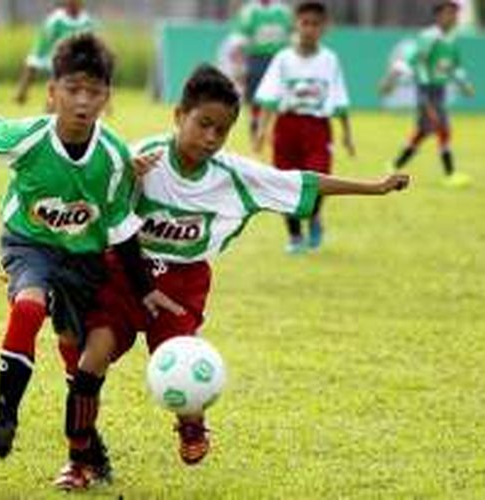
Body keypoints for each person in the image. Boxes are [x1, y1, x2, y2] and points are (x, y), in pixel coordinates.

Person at [53, 63, 410, 491]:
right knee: (91, 360)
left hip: (183, 284)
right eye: (203, 124)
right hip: (126, 275)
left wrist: (375, 186)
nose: (210, 138)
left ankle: (191, 423)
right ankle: (80, 461)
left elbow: (300, 182)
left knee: (179, 364)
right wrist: (123, 175)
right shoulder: (140, 159)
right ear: (178, 116)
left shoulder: (233, 175)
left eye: (220, 131)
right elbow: (78, 192)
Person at [0, 33, 182, 462]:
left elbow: (122, 227)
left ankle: (87, 444)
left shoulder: (113, 156)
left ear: (107, 96)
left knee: (76, 352)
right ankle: (4, 420)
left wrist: (144, 288)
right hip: (28, 244)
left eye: (94, 91)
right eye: (72, 90)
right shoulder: (29, 138)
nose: (83, 101)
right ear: (52, 94)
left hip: (83, 259)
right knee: (29, 306)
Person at [253, 1, 354, 254]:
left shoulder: (330, 60)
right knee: (285, 183)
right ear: (296, 26)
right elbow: (270, 96)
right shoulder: (283, 59)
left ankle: (315, 216)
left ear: (324, 28)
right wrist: (261, 130)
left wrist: (347, 134)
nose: (309, 29)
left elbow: (339, 97)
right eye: (305, 23)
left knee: (318, 179)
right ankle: (295, 236)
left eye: (315, 24)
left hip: (317, 126)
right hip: (287, 125)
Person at [387, 0, 475, 188]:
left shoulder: (450, 40)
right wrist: (396, 78)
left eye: (455, 13)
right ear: (438, 15)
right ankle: (450, 175)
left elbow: (454, 67)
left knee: (423, 132)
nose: (453, 16)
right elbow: (416, 61)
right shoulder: (429, 37)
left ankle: (395, 164)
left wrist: (464, 84)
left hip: (439, 92)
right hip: (427, 91)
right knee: (442, 129)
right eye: (448, 12)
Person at [230, 0, 293, 143]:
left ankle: (276, 130)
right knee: (255, 97)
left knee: (280, 96)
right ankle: (255, 126)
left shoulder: (284, 11)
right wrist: (240, 66)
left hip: (279, 60)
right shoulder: (249, 11)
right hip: (257, 58)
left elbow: (293, 37)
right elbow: (239, 40)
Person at [14, 0, 94, 105]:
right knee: (32, 66)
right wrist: (39, 55)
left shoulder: (87, 21)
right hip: (54, 57)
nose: (74, 4)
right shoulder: (56, 20)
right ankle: (22, 92)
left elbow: (91, 43)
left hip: (76, 61)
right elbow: (43, 42)